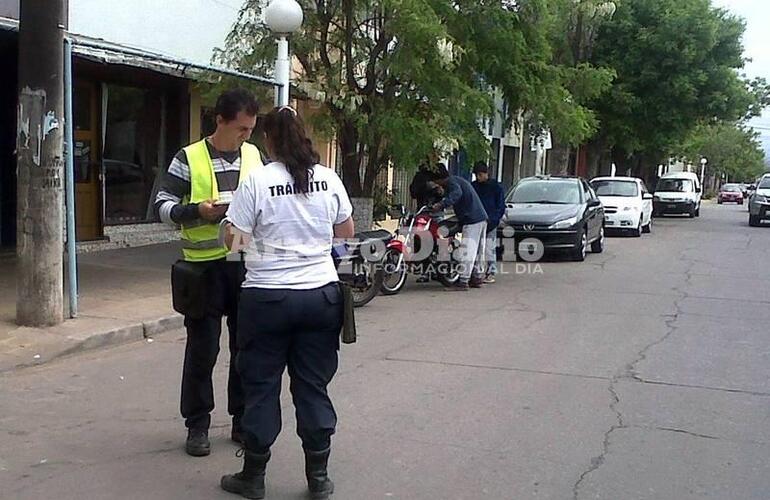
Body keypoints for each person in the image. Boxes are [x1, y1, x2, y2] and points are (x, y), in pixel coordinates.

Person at [219, 106, 354, 500]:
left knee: (260, 386)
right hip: (320, 297)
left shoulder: (257, 181)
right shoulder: (328, 180)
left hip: (267, 299)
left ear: (269, 140)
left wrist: (227, 228)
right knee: (313, 385)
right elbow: (344, 234)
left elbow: (236, 243)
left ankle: (254, 476)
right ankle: (319, 477)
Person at [154, 89, 264, 457]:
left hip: (241, 261)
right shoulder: (189, 157)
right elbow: (162, 206)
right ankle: (197, 425)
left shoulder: (253, 157)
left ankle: (241, 419)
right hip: (201, 268)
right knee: (203, 349)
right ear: (219, 120)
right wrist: (195, 212)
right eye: (241, 129)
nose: (246, 136)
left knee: (244, 347)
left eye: (250, 129)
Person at [431, 165, 488, 291]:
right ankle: (477, 277)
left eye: (435, 182)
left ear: (439, 179)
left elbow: (457, 193)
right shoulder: (456, 180)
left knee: (469, 249)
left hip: (472, 219)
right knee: (478, 250)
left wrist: (441, 204)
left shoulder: (452, 182)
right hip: (480, 217)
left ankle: (463, 281)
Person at [471, 162, 506, 283]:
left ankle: (491, 271)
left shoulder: (496, 187)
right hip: (476, 220)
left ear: (485, 173)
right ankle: (475, 271)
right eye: (476, 175)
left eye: (480, 175)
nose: (478, 177)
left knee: (489, 248)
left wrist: (495, 219)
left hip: (491, 221)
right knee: (475, 247)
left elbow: (501, 205)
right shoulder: (474, 186)